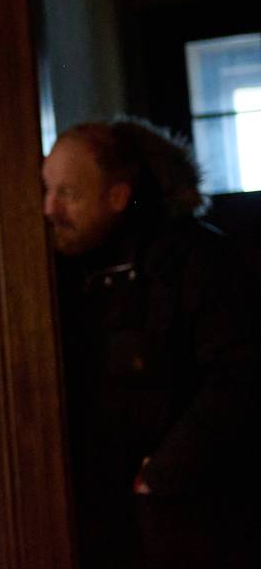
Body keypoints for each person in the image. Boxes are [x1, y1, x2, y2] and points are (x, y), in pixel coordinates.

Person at [41, 119, 260, 569]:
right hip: (103, 511)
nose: (49, 208)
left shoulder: (195, 261)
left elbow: (238, 377)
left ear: (118, 197)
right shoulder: (59, 270)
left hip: (189, 512)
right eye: (47, 189)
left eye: (69, 193)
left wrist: (160, 474)